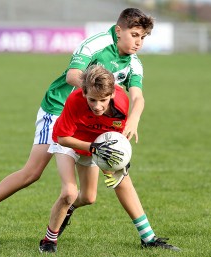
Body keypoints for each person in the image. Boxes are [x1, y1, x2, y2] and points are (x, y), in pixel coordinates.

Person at [0, 7, 170, 250]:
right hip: (59, 108)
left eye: (143, 37)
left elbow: (138, 97)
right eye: (134, 35)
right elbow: (73, 75)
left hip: (90, 117)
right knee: (31, 173)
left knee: (100, 187)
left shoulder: (134, 64)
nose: (138, 42)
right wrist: (96, 88)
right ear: (118, 31)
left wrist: (133, 119)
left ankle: (144, 237)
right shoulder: (96, 44)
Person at [38, 65, 180, 253]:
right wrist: (93, 147)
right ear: (83, 93)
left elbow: (114, 139)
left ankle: (148, 238)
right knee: (69, 193)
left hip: (96, 143)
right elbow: (61, 138)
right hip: (69, 142)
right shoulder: (74, 100)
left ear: (112, 94)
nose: (97, 106)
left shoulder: (121, 104)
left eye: (103, 100)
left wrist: (117, 162)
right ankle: (49, 241)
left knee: (92, 195)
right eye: (92, 100)